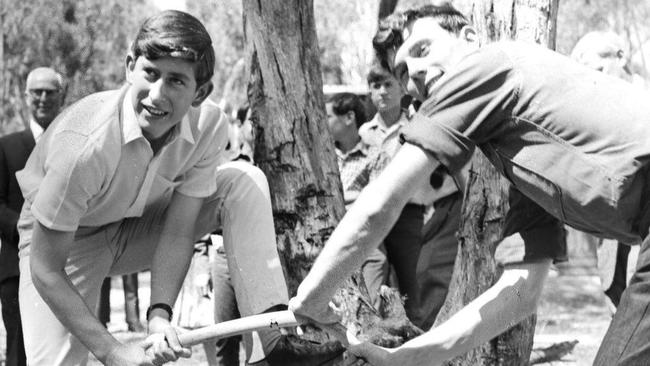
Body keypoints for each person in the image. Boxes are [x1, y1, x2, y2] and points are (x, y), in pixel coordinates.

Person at [289, 3, 650, 366]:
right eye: (403, 70)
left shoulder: (487, 66)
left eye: (422, 49)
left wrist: (313, 296)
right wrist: (403, 358)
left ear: (469, 37)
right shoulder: (516, 149)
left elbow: (382, 201)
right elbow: (520, 291)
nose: (414, 70)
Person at [16, 10, 343, 366]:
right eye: (150, 73)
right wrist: (112, 350)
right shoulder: (83, 145)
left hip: (136, 226)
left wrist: (159, 315)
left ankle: (274, 342)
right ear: (129, 66)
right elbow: (46, 269)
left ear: (201, 92)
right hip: (66, 245)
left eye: (175, 81)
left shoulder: (209, 125)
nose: (156, 95)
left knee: (242, 181)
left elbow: (177, 231)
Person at [0, 67, 66, 366]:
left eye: (50, 92)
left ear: (61, 96)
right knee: (18, 350)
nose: (43, 98)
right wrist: (30, 231)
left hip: (66, 266)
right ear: (26, 96)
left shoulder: (73, 143)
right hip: (14, 266)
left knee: (61, 351)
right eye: (36, 92)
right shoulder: (6, 146)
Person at [569, 31, 638, 311]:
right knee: (618, 303)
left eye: (597, 70)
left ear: (620, 57)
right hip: (613, 223)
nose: (593, 82)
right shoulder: (592, 110)